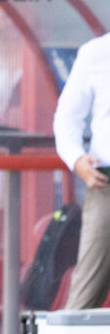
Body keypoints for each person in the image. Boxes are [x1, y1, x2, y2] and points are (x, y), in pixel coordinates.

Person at [53, 31, 110, 310]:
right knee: (85, 295)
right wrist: (76, 159)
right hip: (105, 184)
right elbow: (67, 116)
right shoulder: (97, 52)